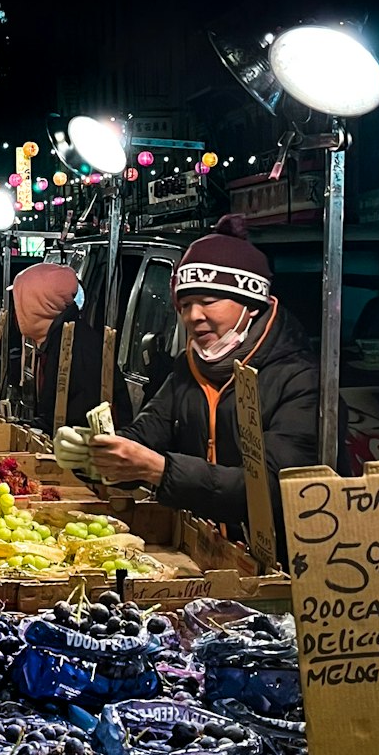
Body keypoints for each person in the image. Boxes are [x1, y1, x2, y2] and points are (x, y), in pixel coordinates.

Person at [54, 215, 320, 536]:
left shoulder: (299, 378)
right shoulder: (188, 368)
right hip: (209, 551)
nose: (194, 316)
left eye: (208, 301)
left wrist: (161, 470)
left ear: (250, 305)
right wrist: (96, 453)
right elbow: (148, 432)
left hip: (286, 564)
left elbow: (275, 489)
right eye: (185, 304)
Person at [11, 262, 133, 433]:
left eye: (19, 303)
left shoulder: (77, 348)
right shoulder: (57, 340)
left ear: (36, 305)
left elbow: (78, 423)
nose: (16, 312)